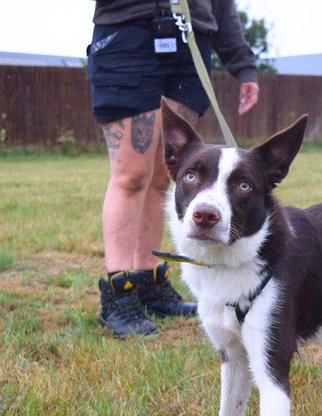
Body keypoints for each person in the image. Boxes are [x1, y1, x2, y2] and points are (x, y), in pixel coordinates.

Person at [87, 0, 259, 337]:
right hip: (128, 34)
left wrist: (243, 65)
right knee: (131, 175)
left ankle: (148, 280)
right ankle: (118, 294)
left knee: (164, 177)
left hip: (191, 39)